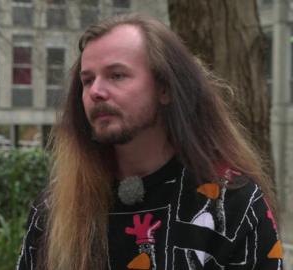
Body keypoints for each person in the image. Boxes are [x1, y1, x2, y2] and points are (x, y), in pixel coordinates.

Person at [16, 14, 283, 270]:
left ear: (165, 88)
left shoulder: (231, 203)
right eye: (87, 80)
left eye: (116, 75)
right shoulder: (55, 210)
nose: (96, 91)